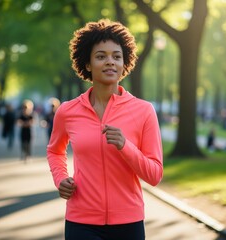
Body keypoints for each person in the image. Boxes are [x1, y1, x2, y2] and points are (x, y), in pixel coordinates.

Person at [47, 19, 163, 240]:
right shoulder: (67, 111)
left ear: (124, 63)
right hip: (81, 222)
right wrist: (61, 178)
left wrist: (124, 146)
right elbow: (55, 150)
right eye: (101, 56)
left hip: (129, 222)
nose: (110, 62)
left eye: (116, 56)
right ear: (88, 64)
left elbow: (155, 174)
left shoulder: (144, 111)